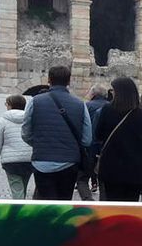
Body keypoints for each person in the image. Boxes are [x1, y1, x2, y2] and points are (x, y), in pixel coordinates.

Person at [21, 65, 92, 200]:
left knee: (45, 203)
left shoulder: (35, 102)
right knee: (63, 203)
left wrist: (38, 143)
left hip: (42, 161)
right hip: (69, 162)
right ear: (69, 81)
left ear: (49, 80)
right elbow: (87, 139)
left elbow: (25, 132)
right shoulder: (80, 104)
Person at [95, 77, 142, 201]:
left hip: (111, 167)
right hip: (135, 168)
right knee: (131, 204)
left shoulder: (107, 110)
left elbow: (98, 134)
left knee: (112, 203)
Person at [0, 94, 33, 199]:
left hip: (11, 161)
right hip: (29, 159)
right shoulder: (30, 119)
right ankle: (23, 205)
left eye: (6, 104)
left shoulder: (3, 120)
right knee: (23, 185)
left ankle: (19, 212)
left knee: (16, 189)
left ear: (10, 105)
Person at [76, 84, 109, 200]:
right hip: (106, 148)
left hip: (89, 147)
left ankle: (88, 200)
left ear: (93, 94)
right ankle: (104, 203)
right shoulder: (110, 107)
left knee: (82, 178)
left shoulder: (87, 106)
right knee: (103, 180)